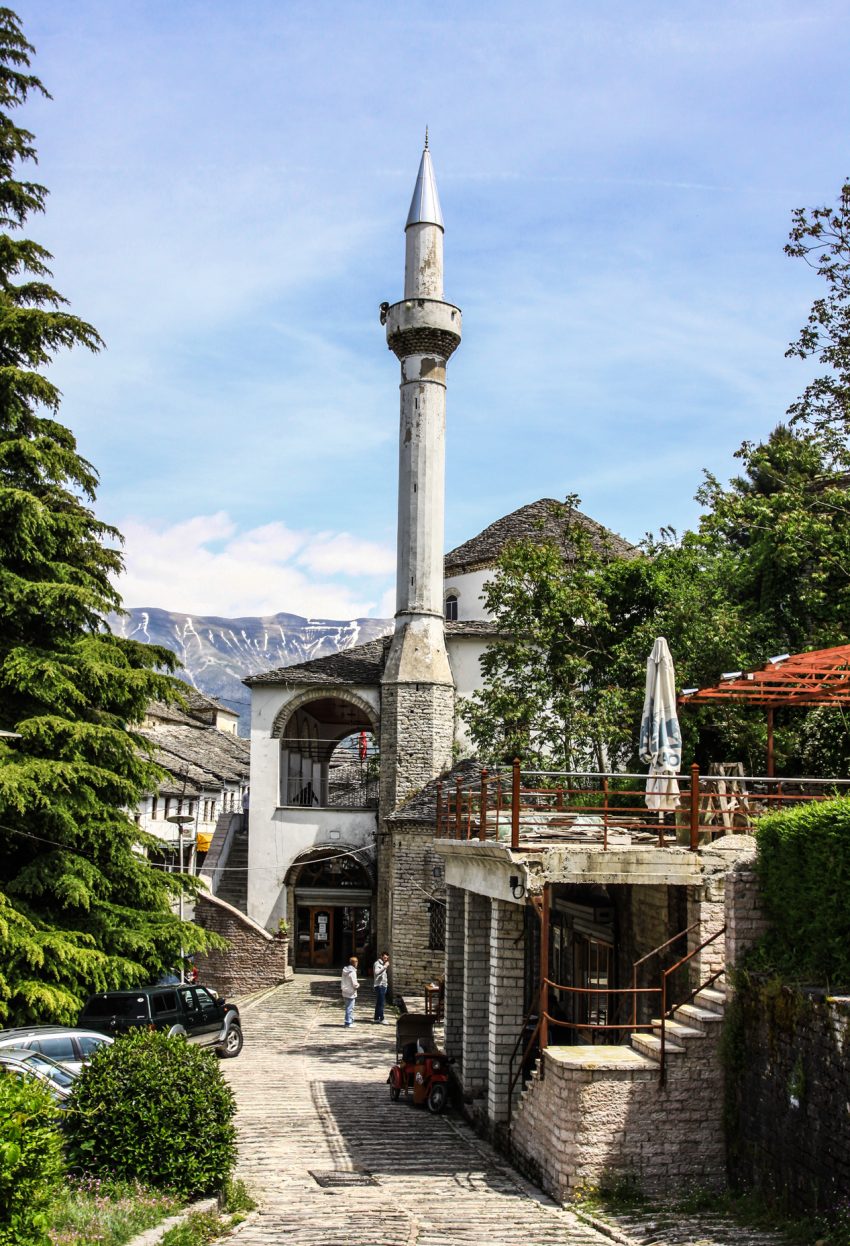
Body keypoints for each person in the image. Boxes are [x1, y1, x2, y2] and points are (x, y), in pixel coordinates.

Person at [341, 956, 359, 1027]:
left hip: (345, 991)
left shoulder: (345, 970)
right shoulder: (352, 972)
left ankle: (350, 1020)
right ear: (355, 963)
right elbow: (354, 984)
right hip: (351, 992)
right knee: (350, 1008)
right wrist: (358, 985)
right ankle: (348, 1022)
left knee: (347, 1007)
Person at [373, 952, 389, 1024]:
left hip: (383, 985)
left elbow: (384, 975)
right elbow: (376, 972)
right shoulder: (377, 964)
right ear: (381, 956)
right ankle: (382, 1019)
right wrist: (385, 967)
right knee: (381, 1003)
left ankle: (376, 1018)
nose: (386, 959)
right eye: (385, 957)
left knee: (379, 1002)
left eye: (387, 958)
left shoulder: (382, 964)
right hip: (379, 985)